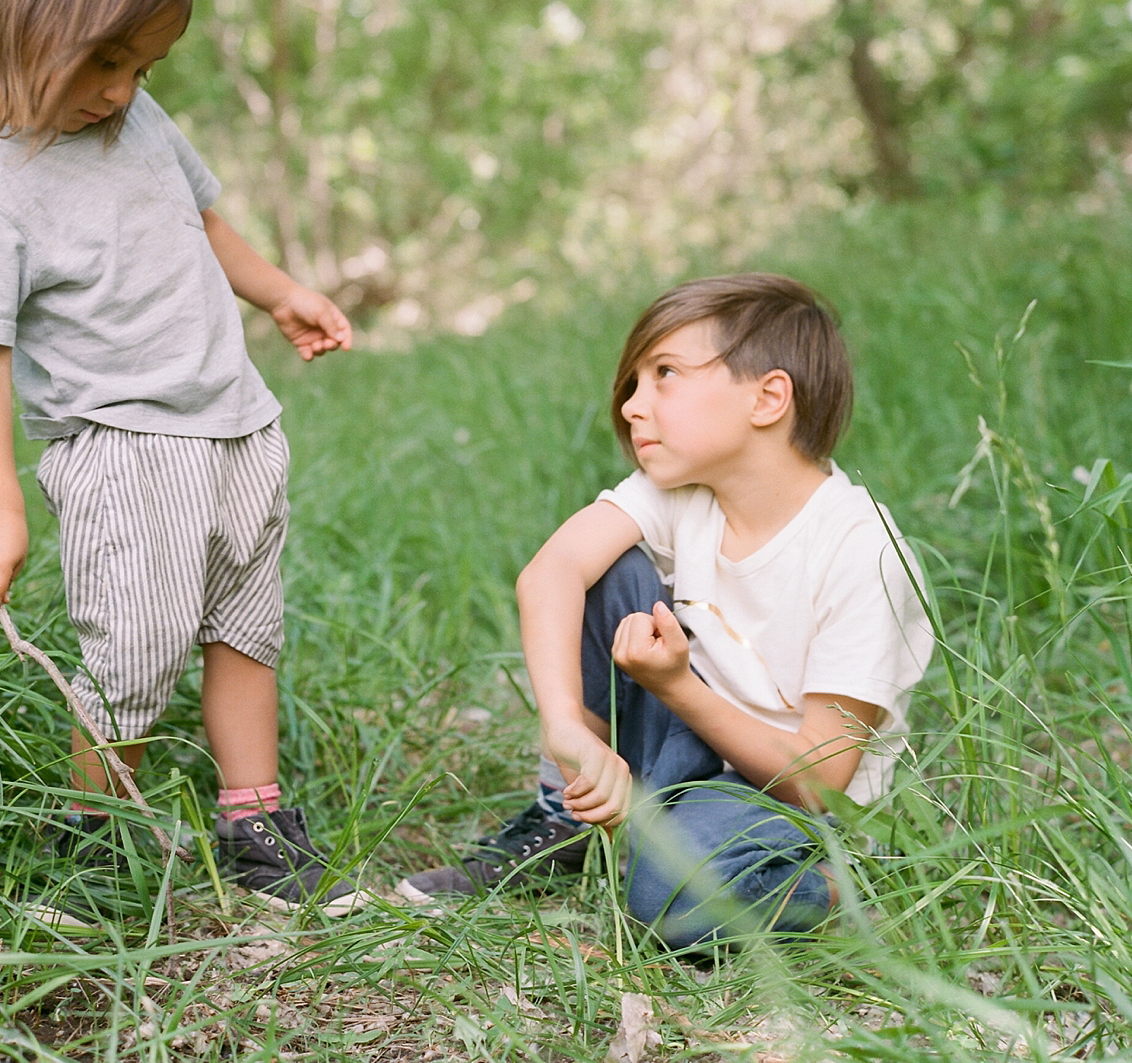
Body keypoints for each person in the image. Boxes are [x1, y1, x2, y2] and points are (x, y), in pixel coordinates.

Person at [0, 0, 363, 923]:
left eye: (143, 65)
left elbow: (203, 218)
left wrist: (281, 291)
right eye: (106, 61)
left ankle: (254, 819)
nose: (122, 88)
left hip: (236, 421)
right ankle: (91, 835)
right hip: (126, 445)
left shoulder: (134, 118)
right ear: (26, 25)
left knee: (245, 623)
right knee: (135, 646)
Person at [398, 274, 934, 949]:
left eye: (665, 375)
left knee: (670, 900)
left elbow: (821, 783)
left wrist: (675, 684)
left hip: (788, 801)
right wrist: (566, 729)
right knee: (604, 568)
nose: (630, 406)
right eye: (633, 384)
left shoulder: (863, 551)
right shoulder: (682, 492)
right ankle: (567, 816)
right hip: (690, 747)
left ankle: (843, 883)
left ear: (768, 396)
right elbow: (551, 572)